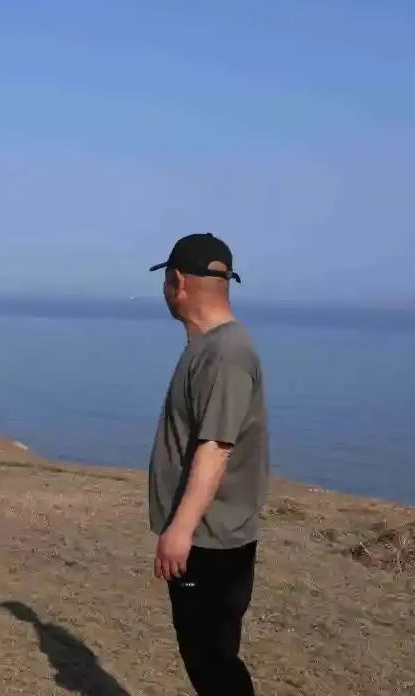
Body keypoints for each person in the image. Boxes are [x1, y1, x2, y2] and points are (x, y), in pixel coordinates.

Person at [146, 233, 270, 696]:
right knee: (211, 655)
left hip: (210, 539)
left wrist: (180, 531)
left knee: (211, 661)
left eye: (166, 281)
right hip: (211, 534)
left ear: (178, 281)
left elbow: (216, 448)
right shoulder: (211, 346)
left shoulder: (226, 355)